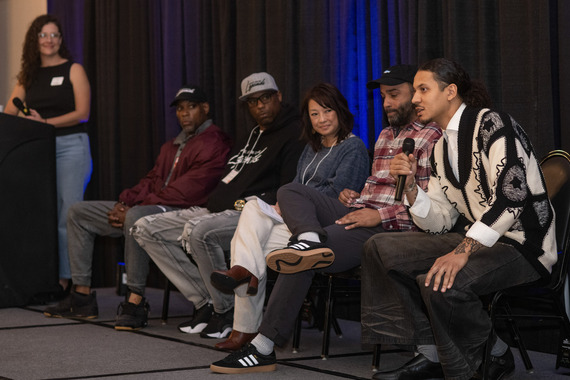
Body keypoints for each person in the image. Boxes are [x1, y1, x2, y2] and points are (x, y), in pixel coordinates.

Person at [209, 64, 442, 373]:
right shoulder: (386, 134)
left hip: (391, 226)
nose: (386, 103)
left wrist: (378, 214)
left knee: (298, 257)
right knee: (289, 191)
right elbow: (375, 187)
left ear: (414, 95)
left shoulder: (432, 136)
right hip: (358, 212)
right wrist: (354, 198)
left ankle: (262, 347)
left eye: (394, 95)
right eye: (384, 96)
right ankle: (308, 237)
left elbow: (431, 205)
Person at [361, 58, 557, 380]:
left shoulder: (493, 124)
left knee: (436, 283)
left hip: (524, 244)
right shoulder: (440, 148)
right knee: (379, 247)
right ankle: (430, 351)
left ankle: (482, 359)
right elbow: (438, 220)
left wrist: (462, 251)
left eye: (423, 89)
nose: (415, 99)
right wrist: (411, 188)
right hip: (478, 239)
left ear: (450, 91)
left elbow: (513, 197)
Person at [43, 85, 232, 331]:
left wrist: (135, 207)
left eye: (191, 107)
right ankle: (82, 297)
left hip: (185, 213)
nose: (184, 114)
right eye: (180, 109)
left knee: (135, 216)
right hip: (150, 207)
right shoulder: (171, 146)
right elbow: (150, 180)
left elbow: (189, 191)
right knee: (79, 212)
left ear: (205, 109)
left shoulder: (215, 142)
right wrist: (125, 202)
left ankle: (136, 300)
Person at [132, 72, 305, 338]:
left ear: (278, 97)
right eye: (253, 101)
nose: (260, 106)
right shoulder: (253, 133)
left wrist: (242, 203)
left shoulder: (295, 133)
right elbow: (230, 176)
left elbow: (285, 190)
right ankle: (207, 303)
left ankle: (224, 312)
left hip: (252, 213)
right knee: (143, 227)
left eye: (266, 98)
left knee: (199, 232)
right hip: (215, 208)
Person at [209, 82, 370, 351]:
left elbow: (336, 198)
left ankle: (244, 325)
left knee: (250, 245)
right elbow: (297, 182)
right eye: (315, 114)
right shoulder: (312, 147)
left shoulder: (352, 148)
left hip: (322, 229)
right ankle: (244, 275)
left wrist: (292, 198)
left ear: (340, 111)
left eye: (327, 111)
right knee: (251, 210)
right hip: (294, 222)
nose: (322, 119)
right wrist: (286, 201)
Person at [4, 14, 92, 292]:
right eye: (43, 35)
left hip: (70, 147)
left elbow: (83, 113)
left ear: (61, 41)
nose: (49, 40)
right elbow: (9, 114)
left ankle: (68, 282)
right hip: (37, 155)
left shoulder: (73, 69)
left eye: (55, 35)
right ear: (35, 40)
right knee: (39, 216)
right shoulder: (27, 76)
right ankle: (43, 277)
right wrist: (28, 124)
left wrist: (44, 124)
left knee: (68, 215)